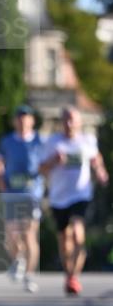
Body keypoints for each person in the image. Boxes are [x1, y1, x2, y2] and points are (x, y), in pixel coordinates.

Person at [39, 106, 109, 295]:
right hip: (58, 197)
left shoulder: (87, 140)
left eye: (73, 120)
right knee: (64, 239)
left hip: (81, 194)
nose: (69, 124)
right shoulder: (52, 142)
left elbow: (96, 159)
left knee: (78, 234)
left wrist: (100, 172)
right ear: (62, 122)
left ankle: (74, 276)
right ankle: (69, 274)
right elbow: (41, 169)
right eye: (66, 120)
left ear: (79, 122)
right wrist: (53, 161)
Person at [0, 104, 44, 293]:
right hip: (12, 194)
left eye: (26, 117)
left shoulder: (40, 141)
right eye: (20, 117)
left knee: (29, 233)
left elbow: (48, 161)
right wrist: (0, 178)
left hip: (32, 194)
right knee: (11, 235)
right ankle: (18, 260)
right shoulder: (7, 141)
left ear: (32, 121)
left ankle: (29, 275)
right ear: (15, 121)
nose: (23, 121)